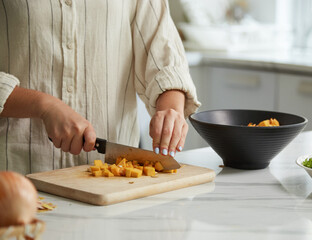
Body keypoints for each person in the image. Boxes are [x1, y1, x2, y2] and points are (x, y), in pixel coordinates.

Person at [0, 0, 200, 174]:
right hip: (15, 174)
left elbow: (163, 52)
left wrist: (171, 109)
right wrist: (44, 105)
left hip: (114, 179)